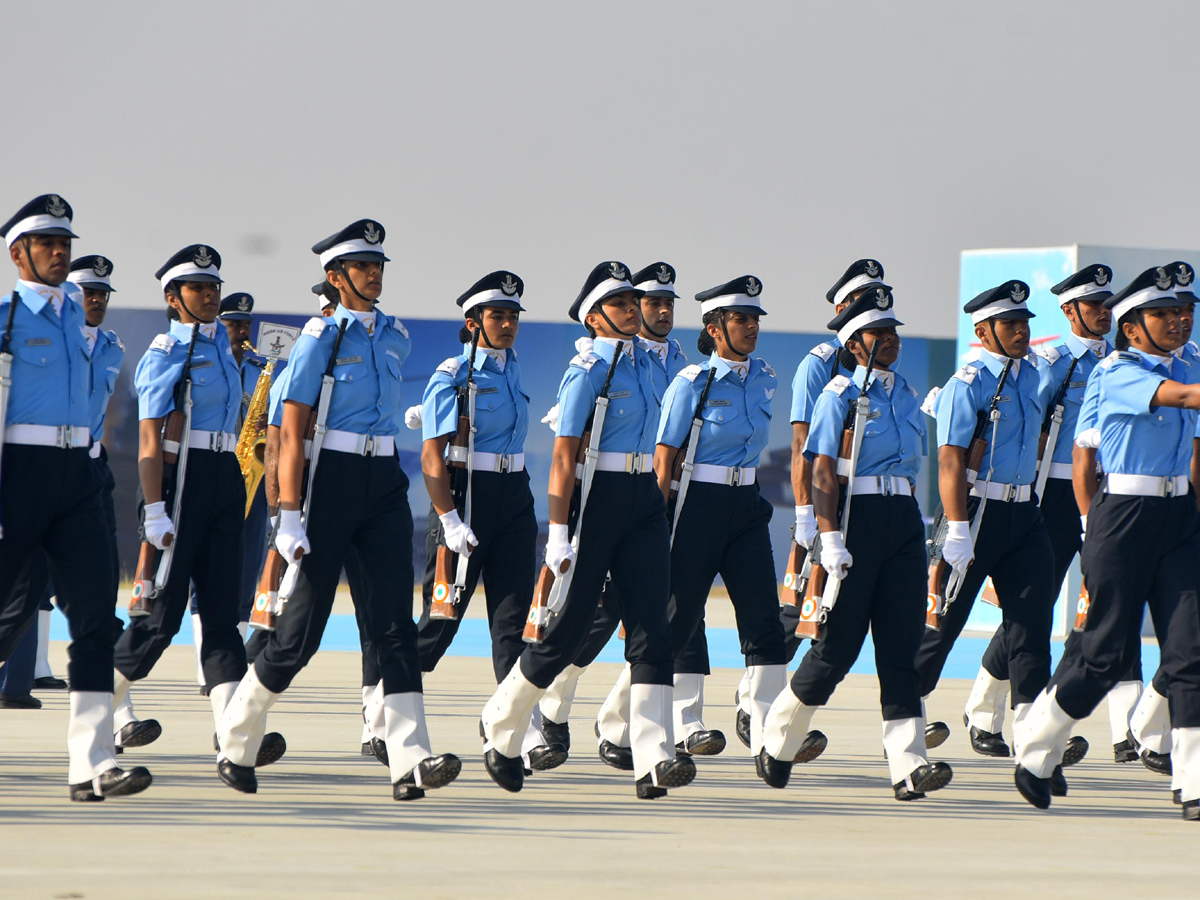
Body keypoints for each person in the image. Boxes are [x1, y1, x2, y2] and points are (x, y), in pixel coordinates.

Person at [216, 219, 461, 801]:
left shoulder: (395, 336)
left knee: (393, 627)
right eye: (361, 267)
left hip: (382, 482)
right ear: (335, 277)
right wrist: (290, 511)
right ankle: (237, 737)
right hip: (328, 482)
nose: (373, 275)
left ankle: (409, 758)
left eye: (378, 267)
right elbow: (292, 429)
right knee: (300, 633)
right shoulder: (318, 339)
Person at [479, 260, 695, 799]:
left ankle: (652, 757)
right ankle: (503, 727)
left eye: (632, 303)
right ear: (595, 318)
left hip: (643, 494)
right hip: (596, 498)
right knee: (570, 626)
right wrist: (557, 533)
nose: (633, 311)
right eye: (621, 305)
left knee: (653, 626)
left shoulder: (647, 365)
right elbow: (562, 457)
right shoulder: (586, 372)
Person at [1014, 265, 1200, 819]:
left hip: (1179, 515)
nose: (1179, 319)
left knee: (1190, 652)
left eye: (1185, 310)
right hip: (1124, 515)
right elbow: (1185, 399)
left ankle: (1191, 783)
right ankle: (1037, 749)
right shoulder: (1119, 370)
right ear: (1132, 325)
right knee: (1104, 654)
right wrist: (1093, 522)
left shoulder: (1190, 362)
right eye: (1163, 313)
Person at [758, 286, 954, 799]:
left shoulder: (908, 393)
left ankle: (909, 765)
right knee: (836, 650)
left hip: (904, 516)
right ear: (853, 341)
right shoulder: (838, 395)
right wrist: (829, 538)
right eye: (877, 333)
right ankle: (778, 742)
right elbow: (821, 467)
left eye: (893, 332)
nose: (890, 340)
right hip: (855, 518)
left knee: (901, 647)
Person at [537, 263, 723, 764]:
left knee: (680, 610)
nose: (661, 312)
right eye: (650, 303)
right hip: (631, 496)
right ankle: (553, 704)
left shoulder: (681, 361)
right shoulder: (610, 362)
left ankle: (677, 722)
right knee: (601, 613)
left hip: (676, 496)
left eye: (669, 304)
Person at [0, 194, 150, 800]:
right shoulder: (8, 318)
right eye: (47, 245)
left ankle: (92, 763)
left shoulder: (77, 321)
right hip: (19, 473)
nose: (61, 254)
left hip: (79, 471)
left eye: (65, 245)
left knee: (93, 618)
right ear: (18, 253)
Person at [111, 245, 283, 764]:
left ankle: (234, 739)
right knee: (159, 620)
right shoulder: (167, 352)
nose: (210, 296)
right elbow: (149, 440)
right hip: (178, 480)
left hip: (223, 477)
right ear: (172, 297)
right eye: (197, 289)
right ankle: (99, 711)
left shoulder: (227, 355)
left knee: (222, 614)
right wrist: (156, 508)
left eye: (213, 288)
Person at [963, 265, 1125, 762]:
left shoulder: (1121, 361)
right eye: (1093, 305)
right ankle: (990, 712)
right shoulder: (1052, 362)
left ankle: (985, 709)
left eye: (1107, 304)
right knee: (1035, 604)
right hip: (1050, 495)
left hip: (1106, 494)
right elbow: (1022, 433)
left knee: (1083, 606)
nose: (1104, 312)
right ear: (1070, 310)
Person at [735, 258, 888, 751]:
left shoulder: (883, 367)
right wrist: (805, 516)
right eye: (860, 303)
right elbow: (803, 443)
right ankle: (754, 701)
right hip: (823, 504)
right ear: (843, 309)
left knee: (846, 611)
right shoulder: (820, 363)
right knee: (801, 605)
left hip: (866, 506)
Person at [413, 271, 561, 770]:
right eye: (497, 316)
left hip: (513, 499)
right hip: (464, 497)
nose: (508, 324)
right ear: (473, 322)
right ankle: (384, 714)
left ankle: (515, 726)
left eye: (514, 316)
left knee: (516, 624)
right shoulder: (453, 374)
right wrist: (449, 520)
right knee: (441, 621)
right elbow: (431, 458)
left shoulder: (513, 368)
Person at [917, 279, 1059, 776]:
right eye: (1011, 324)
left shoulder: (1035, 378)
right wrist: (956, 529)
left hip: (1025, 515)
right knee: (941, 625)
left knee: (1031, 630)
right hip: (974, 514)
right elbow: (951, 462)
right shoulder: (968, 382)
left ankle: (1032, 746)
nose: (1021, 332)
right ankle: (905, 723)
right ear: (984, 330)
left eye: (1024, 324)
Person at [652, 275, 787, 769]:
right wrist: (658, 520)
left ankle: (768, 732)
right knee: (681, 617)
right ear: (714, 326)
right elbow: (664, 457)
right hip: (696, 503)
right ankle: (669, 727)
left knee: (764, 618)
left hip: (747, 502)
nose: (751, 328)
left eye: (755, 320)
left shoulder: (766, 376)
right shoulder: (691, 384)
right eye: (740, 320)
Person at [189, 291, 276, 692]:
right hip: (215, 469)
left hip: (253, 479)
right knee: (204, 570)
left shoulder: (263, 369)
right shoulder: (205, 361)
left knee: (246, 567)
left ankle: (231, 664)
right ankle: (207, 667)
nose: (242, 332)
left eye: (246, 324)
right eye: (233, 324)